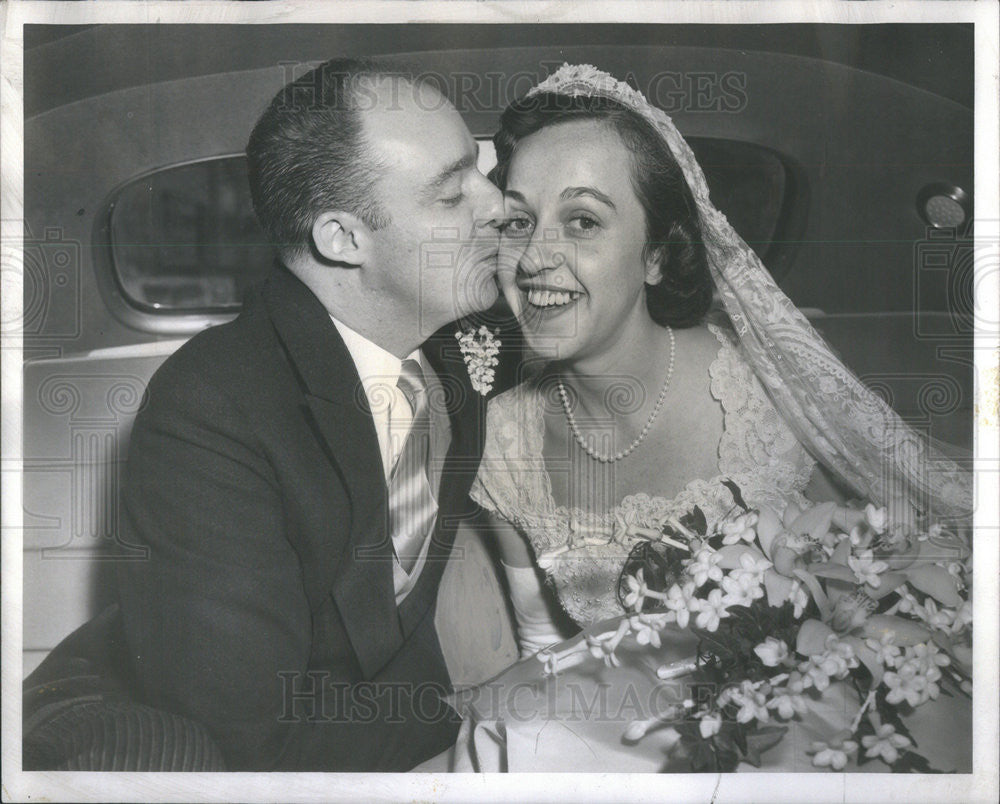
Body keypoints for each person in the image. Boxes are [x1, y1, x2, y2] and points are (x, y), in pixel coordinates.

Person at [471, 63, 972, 654]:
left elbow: (876, 588)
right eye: (518, 221)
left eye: (582, 221)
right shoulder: (501, 443)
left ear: (657, 255)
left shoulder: (769, 394)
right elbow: (541, 644)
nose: (533, 258)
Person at [115, 58, 504, 770]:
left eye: (485, 170)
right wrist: (481, 731)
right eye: (453, 196)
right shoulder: (210, 408)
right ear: (343, 240)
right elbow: (254, 726)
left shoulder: (457, 345)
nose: (499, 205)